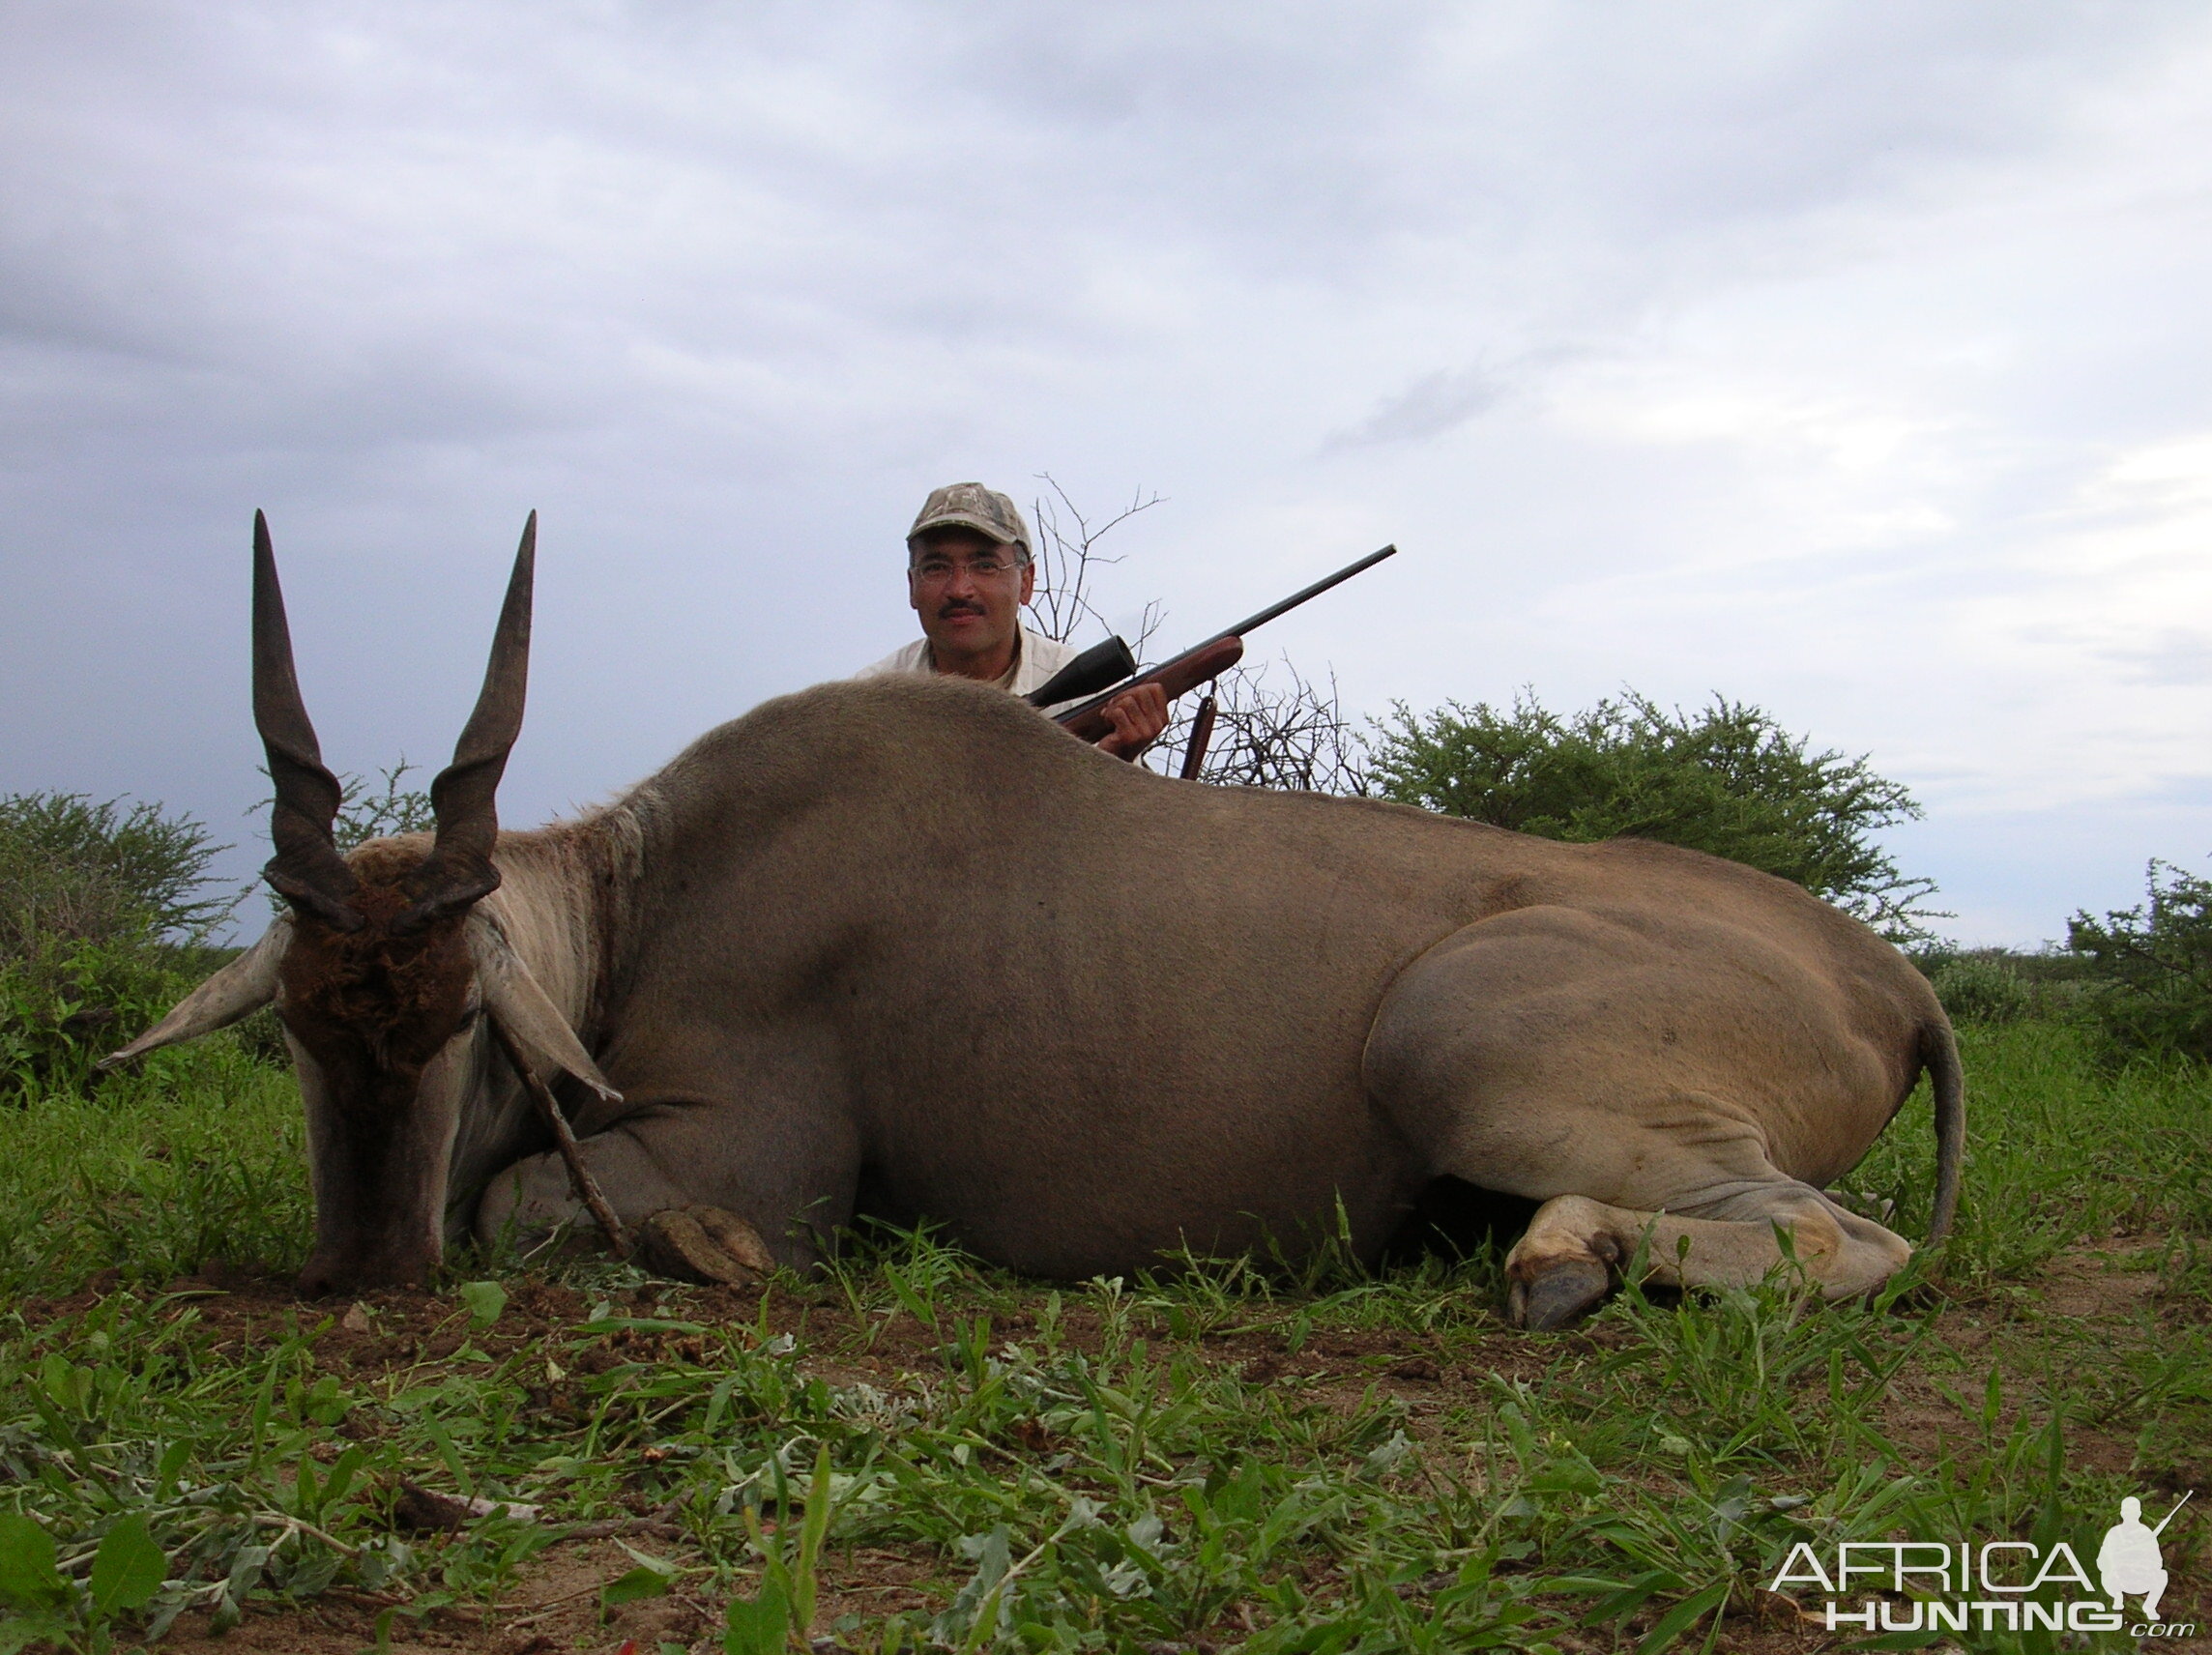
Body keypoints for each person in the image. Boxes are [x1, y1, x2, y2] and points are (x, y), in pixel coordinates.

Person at [857, 482, 1168, 759]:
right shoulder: (866, 704)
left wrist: (1117, 761)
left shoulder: (1087, 694)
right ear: (912, 586)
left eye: (985, 566)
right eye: (936, 568)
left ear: (1026, 582)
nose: (959, 590)